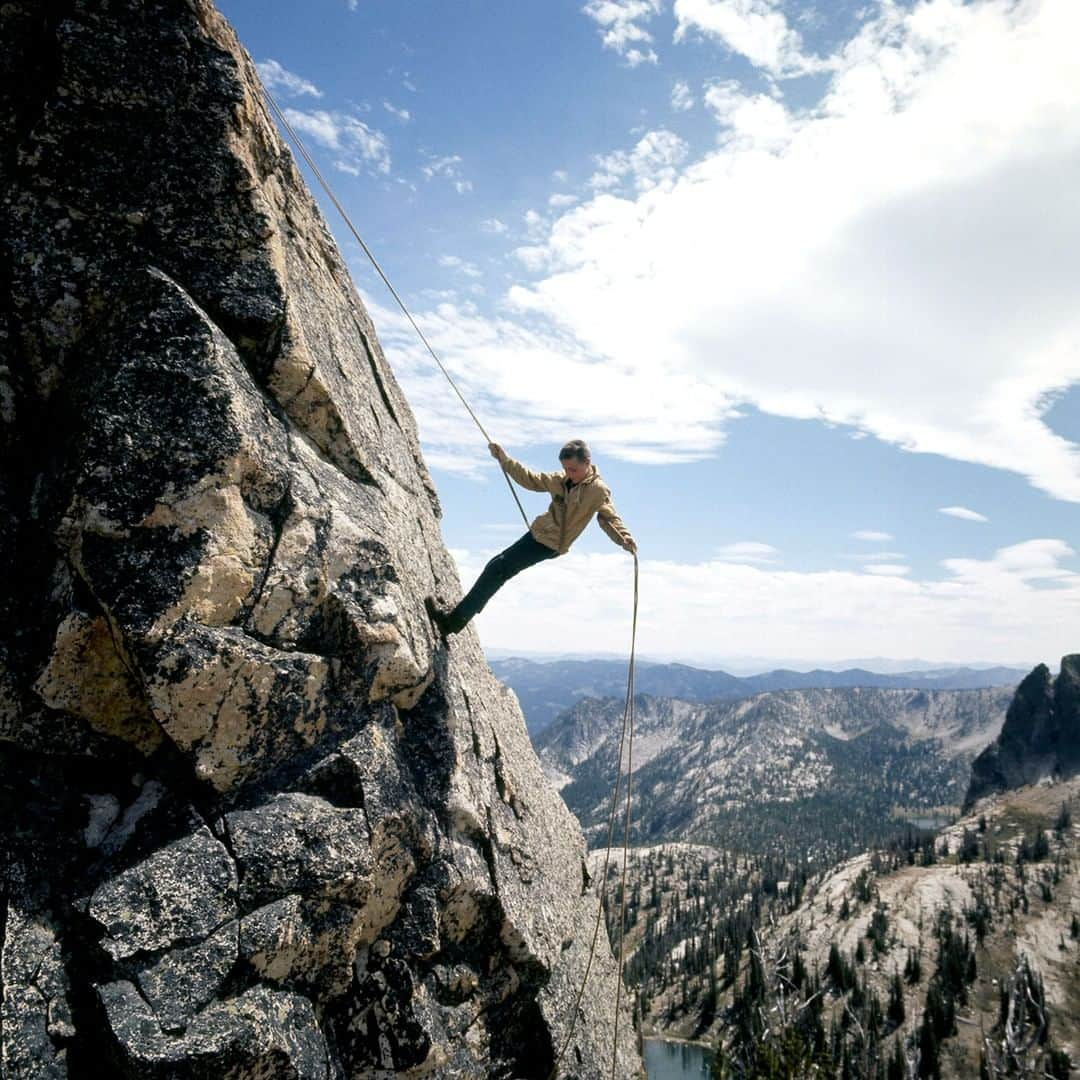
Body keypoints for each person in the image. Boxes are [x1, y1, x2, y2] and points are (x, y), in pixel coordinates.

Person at [426, 439, 637, 637]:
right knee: (495, 568)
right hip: (537, 534)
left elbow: (608, 518)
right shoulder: (560, 479)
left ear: (587, 463)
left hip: (550, 544)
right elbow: (532, 480)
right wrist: (505, 460)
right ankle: (457, 617)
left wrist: (624, 539)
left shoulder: (597, 490)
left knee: (497, 570)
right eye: (565, 468)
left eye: (573, 469)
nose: (568, 473)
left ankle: (452, 623)